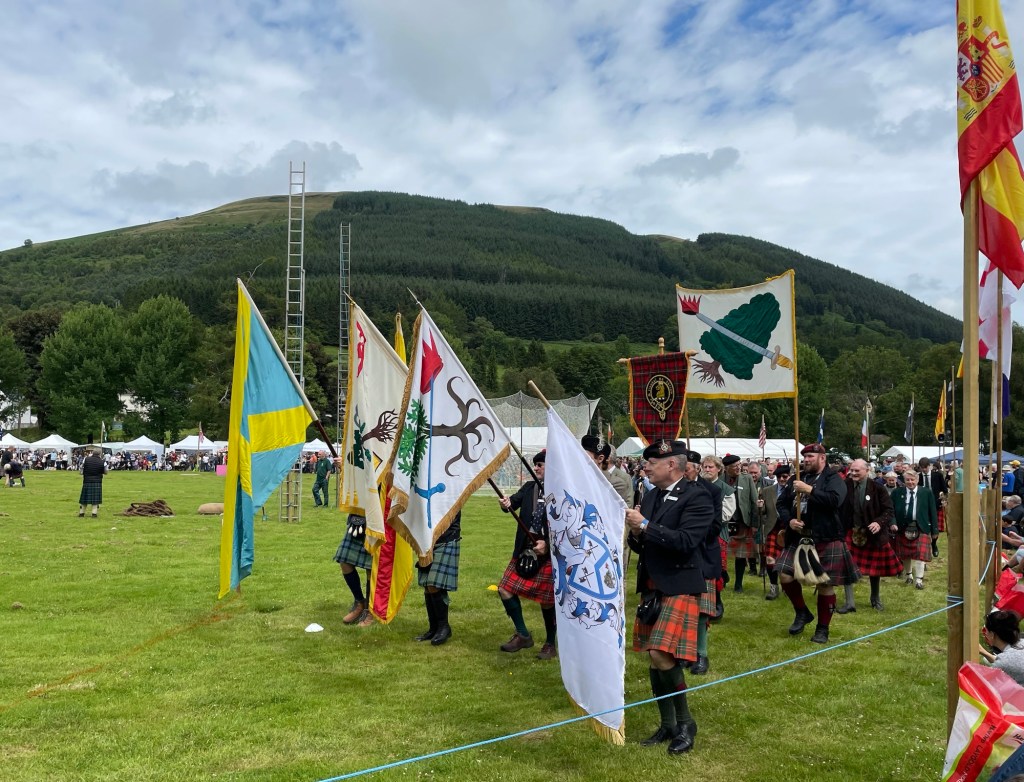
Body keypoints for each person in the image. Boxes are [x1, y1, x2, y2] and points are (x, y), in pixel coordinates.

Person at [626, 439, 714, 755]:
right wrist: (637, 533)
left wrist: (646, 525)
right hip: (652, 585)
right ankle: (667, 724)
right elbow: (643, 545)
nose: (646, 467)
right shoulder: (651, 496)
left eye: (652, 463)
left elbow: (686, 541)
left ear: (671, 465)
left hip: (679, 583)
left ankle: (686, 723)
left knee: (660, 653)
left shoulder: (697, 497)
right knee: (654, 657)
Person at [775, 443, 858, 644]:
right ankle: (802, 612)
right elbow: (782, 503)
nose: (806, 460)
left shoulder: (834, 478)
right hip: (798, 536)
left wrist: (809, 490)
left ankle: (823, 628)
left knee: (824, 584)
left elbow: (834, 501)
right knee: (784, 574)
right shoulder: (798, 478)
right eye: (804, 457)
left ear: (822, 458)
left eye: (810, 456)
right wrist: (789, 520)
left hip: (825, 537)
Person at [496, 451, 557, 660]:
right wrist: (505, 503)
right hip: (525, 550)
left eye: (540, 464)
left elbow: (566, 526)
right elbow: (512, 504)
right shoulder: (530, 487)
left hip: (548, 554)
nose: (536, 468)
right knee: (504, 588)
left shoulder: (561, 492)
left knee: (546, 601)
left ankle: (550, 643)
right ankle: (523, 634)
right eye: (535, 465)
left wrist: (547, 544)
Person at [838, 459, 901, 613]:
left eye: (857, 471)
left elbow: (889, 510)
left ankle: (875, 598)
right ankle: (849, 602)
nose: (853, 473)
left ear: (867, 471)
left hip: (873, 534)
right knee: (847, 566)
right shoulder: (845, 485)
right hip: (851, 531)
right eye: (852, 470)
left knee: (875, 569)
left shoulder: (878, 488)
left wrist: (879, 522)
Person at [412, 510, 461, 646]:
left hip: (447, 536)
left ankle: (443, 627)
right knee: (427, 585)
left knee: (433, 584)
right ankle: (433, 628)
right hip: (427, 538)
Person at [890, 470, 937, 590]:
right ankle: (909, 575)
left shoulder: (926, 492)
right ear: (904, 480)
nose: (910, 482)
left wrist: (935, 530)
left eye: (912, 480)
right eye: (907, 480)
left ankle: (919, 580)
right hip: (903, 526)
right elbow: (890, 510)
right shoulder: (897, 492)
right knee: (905, 554)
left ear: (917, 480)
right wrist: (893, 523)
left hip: (921, 526)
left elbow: (933, 511)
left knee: (920, 555)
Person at [723, 454, 759, 589]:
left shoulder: (747, 478)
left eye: (739, 464)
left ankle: (738, 583)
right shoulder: (720, 479)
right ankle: (722, 579)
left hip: (742, 521)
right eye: (735, 466)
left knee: (741, 555)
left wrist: (754, 524)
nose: (739, 468)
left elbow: (754, 501)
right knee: (721, 553)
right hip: (723, 522)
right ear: (726, 468)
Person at [333, 513, 374, 627]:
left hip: (377, 521)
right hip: (358, 518)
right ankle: (359, 602)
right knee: (344, 559)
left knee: (371, 568)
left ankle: (370, 610)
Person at [760, 463, 793, 601]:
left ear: (790, 476)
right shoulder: (767, 491)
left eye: (784, 476)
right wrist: (760, 507)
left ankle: (788, 587)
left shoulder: (795, 490)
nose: (781, 479)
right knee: (770, 559)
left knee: (788, 561)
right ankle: (774, 587)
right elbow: (762, 512)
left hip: (789, 528)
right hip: (773, 527)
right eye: (778, 477)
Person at [980, 610, 1024, 686]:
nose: (985, 634)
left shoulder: (1002, 664)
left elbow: (985, 686)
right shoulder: (1021, 643)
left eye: (986, 631)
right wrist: (984, 652)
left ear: (992, 634)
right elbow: (1011, 661)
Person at [918, 457, 948, 558]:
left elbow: (944, 490)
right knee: (924, 526)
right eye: (922, 468)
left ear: (929, 466)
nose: (924, 470)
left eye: (925, 467)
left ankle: (934, 544)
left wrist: (943, 499)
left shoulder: (938, 475)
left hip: (936, 504)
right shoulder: (918, 477)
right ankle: (924, 546)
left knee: (935, 527)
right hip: (922, 505)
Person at [78, 445, 107, 517]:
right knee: (95, 499)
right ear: (100, 454)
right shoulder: (103, 461)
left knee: (84, 498)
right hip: (97, 481)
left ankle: (81, 513)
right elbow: (106, 472)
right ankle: (94, 513)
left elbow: (81, 468)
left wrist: (82, 472)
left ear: (92, 453)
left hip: (87, 480)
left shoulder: (86, 459)